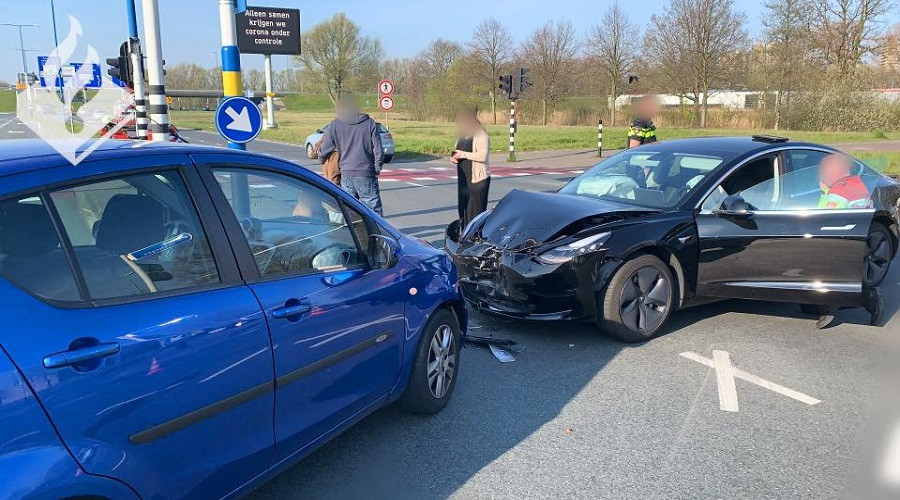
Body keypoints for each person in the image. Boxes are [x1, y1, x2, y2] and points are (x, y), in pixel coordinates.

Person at [318, 96, 384, 215]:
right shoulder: (370, 124)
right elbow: (378, 149)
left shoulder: (334, 125)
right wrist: (378, 166)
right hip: (366, 172)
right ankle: (377, 232)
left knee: (349, 210)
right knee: (373, 209)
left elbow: (325, 148)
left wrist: (321, 158)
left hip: (346, 174)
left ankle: (355, 232)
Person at [451, 109, 491, 228]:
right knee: (463, 208)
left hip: (477, 180)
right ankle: (464, 235)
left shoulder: (480, 134)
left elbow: (482, 156)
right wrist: (454, 157)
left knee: (475, 211)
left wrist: (463, 155)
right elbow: (458, 151)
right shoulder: (462, 135)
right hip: (464, 179)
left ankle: (475, 236)